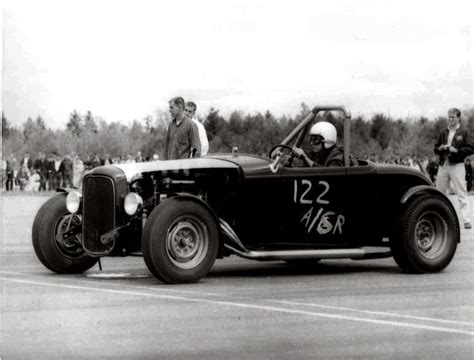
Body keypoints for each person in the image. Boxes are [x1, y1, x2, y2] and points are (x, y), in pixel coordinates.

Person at [434, 107, 473, 229]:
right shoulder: (443, 132)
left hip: (457, 165)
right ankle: (437, 218)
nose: (450, 119)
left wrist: (456, 151)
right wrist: (440, 149)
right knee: (439, 193)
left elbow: (471, 148)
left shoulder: (464, 132)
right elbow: (435, 148)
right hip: (444, 165)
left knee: (461, 192)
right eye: (449, 116)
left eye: (453, 117)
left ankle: (467, 220)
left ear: (458, 118)